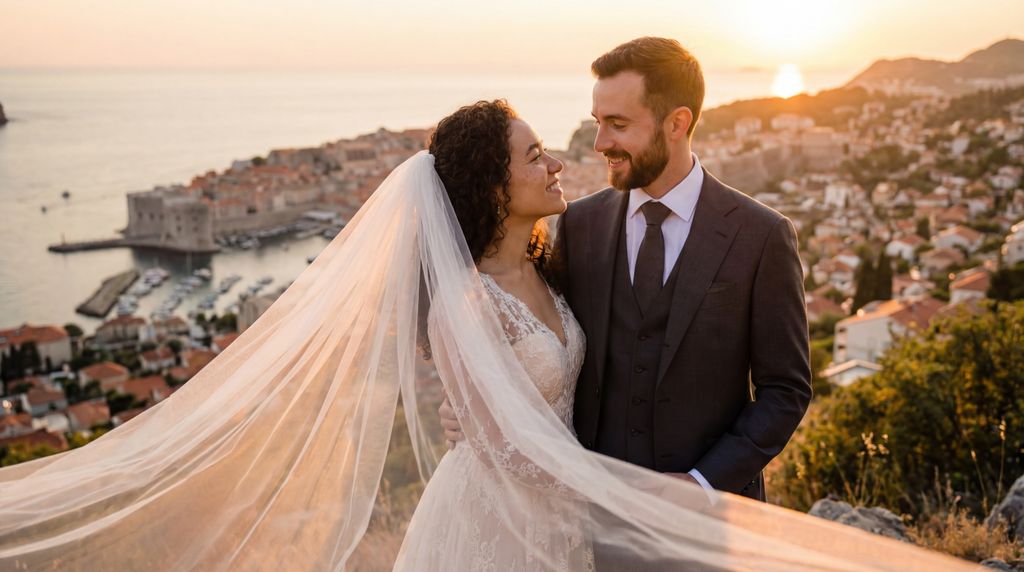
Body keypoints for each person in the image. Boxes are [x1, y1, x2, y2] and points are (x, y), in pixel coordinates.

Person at [0, 99, 972, 571]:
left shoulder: (549, 265)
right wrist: (660, 498)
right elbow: (512, 447)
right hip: (494, 532)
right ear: (487, 184)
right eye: (531, 154)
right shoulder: (460, 305)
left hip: (556, 525)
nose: (554, 160)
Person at [442, 37, 812, 506]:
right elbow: (543, 342)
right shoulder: (580, 223)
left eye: (617, 125)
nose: (600, 144)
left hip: (711, 519)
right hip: (595, 514)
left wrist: (702, 483)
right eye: (598, 124)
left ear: (677, 123)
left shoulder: (761, 235)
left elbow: (785, 390)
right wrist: (472, 407)